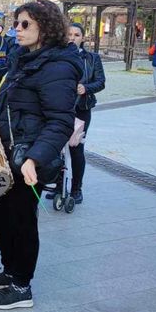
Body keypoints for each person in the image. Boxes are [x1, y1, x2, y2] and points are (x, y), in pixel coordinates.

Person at [0, 0, 81, 310]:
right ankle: (9, 270)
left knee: (21, 219)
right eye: (16, 23)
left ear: (45, 28)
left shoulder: (58, 66)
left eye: (24, 25)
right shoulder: (26, 58)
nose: (16, 30)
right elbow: (14, 104)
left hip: (29, 157)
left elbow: (61, 121)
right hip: (9, 150)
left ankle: (22, 286)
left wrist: (35, 157)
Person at [51, 24, 105, 205]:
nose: (72, 38)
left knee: (76, 149)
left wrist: (86, 88)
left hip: (81, 109)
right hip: (58, 108)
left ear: (83, 38)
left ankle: (76, 189)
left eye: (77, 34)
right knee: (57, 147)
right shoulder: (56, 56)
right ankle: (59, 186)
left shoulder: (92, 58)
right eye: (69, 34)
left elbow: (100, 82)